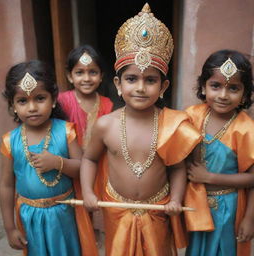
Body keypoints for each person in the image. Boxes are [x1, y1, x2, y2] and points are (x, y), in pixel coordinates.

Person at [81, 4, 202, 256]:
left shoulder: (171, 123)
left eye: (150, 80)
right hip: (117, 209)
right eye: (131, 79)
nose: (140, 88)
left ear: (163, 86)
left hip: (158, 210)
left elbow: (177, 167)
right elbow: (90, 159)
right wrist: (89, 192)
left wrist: (176, 200)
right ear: (117, 83)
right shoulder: (106, 124)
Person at [0, 60, 82, 256]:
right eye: (22, 101)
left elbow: (82, 168)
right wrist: (10, 228)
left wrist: (57, 162)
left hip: (64, 214)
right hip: (30, 217)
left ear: (53, 99)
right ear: (12, 105)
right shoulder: (10, 141)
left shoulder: (66, 131)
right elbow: (6, 185)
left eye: (40, 98)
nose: (32, 107)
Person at [185, 49, 254, 256]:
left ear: (244, 94)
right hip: (195, 204)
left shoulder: (246, 129)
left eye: (233, 88)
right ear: (203, 87)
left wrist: (250, 219)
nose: (223, 95)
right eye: (216, 86)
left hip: (228, 208)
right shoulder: (192, 116)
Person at [58, 44, 113, 254]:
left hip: (98, 164)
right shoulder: (62, 101)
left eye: (93, 72)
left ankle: (94, 235)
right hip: (71, 164)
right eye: (79, 72)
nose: (86, 78)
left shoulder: (107, 103)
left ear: (101, 76)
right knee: (75, 207)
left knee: (95, 201)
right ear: (70, 76)